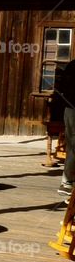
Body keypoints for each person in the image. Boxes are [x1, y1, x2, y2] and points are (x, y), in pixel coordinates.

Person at [55, 61, 75, 196]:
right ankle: (67, 182)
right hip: (73, 109)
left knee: (71, 146)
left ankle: (68, 181)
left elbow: (60, 87)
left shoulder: (72, 65)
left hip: (69, 108)